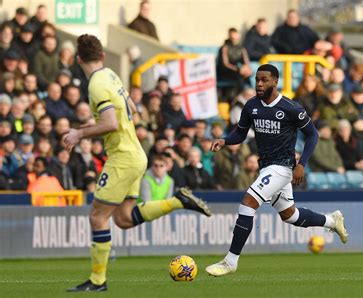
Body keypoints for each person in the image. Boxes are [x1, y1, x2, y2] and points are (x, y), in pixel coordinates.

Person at [63, 34, 211, 292]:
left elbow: (110, 123)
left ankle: (98, 281)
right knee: (123, 218)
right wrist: (102, 125)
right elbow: (131, 107)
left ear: (78, 59)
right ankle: (178, 200)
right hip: (136, 153)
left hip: (122, 157)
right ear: (102, 56)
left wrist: (80, 133)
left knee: (98, 216)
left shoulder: (96, 84)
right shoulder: (110, 75)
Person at [206, 64, 347, 277]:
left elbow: (313, 135)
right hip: (266, 167)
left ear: (275, 81)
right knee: (290, 215)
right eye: (257, 80)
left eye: (264, 80)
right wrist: (224, 140)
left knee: (248, 202)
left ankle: (230, 261)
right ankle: (331, 220)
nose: (259, 84)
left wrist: (302, 164)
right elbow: (240, 134)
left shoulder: (291, 108)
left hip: (283, 167)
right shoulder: (251, 105)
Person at [216, 28, 252, 100]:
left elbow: (246, 62)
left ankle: (251, 96)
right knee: (239, 76)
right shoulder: (225, 47)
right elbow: (225, 64)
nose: (234, 38)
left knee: (249, 74)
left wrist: (247, 69)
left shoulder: (241, 48)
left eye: (235, 35)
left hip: (237, 71)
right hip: (225, 72)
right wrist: (239, 69)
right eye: (232, 36)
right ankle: (238, 98)